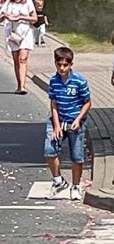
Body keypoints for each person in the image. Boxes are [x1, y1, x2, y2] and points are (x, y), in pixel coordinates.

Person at [45, 47, 92, 201]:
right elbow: (53, 103)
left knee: (77, 156)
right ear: (55, 63)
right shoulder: (54, 81)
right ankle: (58, 181)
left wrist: (78, 119)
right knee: (49, 150)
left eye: (65, 65)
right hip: (58, 119)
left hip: (75, 121)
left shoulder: (79, 81)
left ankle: (76, 186)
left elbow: (87, 103)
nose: (62, 68)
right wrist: (56, 125)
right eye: (59, 65)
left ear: (71, 64)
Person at [0, 0, 38, 95]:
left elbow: (34, 18)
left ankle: (23, 86)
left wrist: (20, 17)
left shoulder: (28, 2)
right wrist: (5, 16)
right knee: (16, 60)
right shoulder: (9, 3)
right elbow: (0, 18)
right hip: (13, 34)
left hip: (25, 33)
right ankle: (19, 84)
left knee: (22, 59)